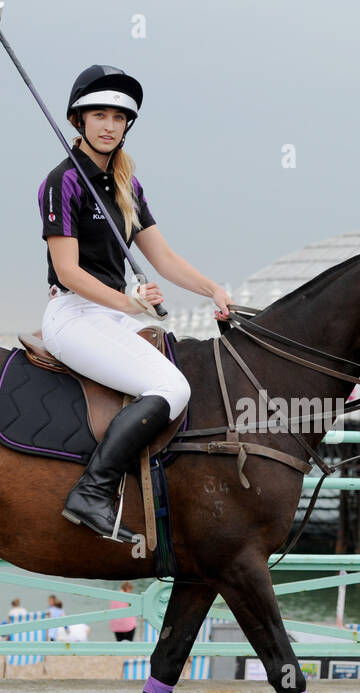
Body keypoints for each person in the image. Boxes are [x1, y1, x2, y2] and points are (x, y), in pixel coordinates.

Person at [40, 65, 232, 541]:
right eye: (99, 114)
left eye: (119, 117)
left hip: (115, 315)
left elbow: (162, 257)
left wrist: (213, 289)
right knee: (172, 389)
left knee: (188, 371)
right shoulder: (61, 182)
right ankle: (92, 493)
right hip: (75, 315)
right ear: (78, 121)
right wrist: (127, 303)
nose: (109, 125)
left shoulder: (129, 185)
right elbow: (67, 271)